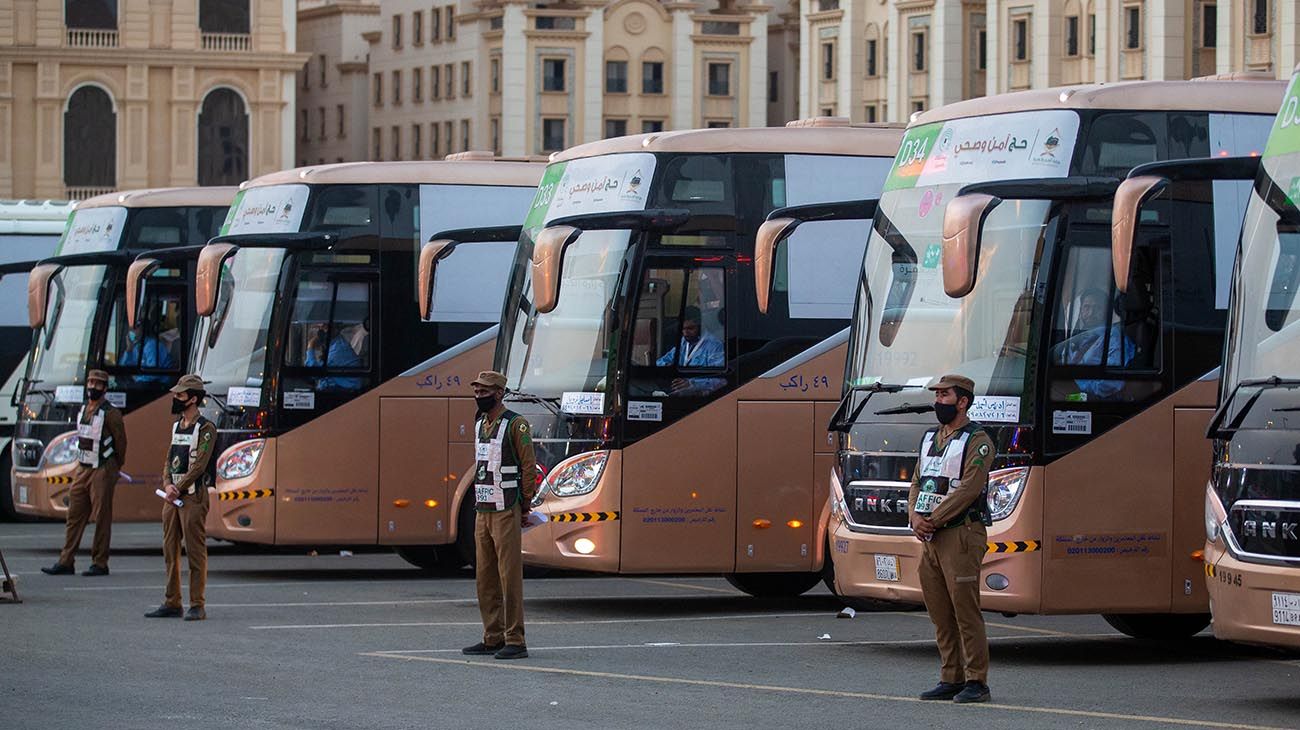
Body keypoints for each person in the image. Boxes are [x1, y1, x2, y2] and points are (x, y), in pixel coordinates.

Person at [908, 374, 995, 704]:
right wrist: (915, 518)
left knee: (965, 610)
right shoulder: (931, 438)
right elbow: (917, 480)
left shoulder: (978, 440)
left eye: (945, 395)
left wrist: (932, 520)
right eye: (937, 395)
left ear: (963, 401)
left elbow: (970, 488)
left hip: (961, 533)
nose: (938, 401)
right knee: (939, 611)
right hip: (931, 536)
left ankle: (977, 680)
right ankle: (951, 676)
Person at [462, 370, 537, 661]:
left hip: (507, 507)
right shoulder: (480, 422)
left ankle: (515, 639)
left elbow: (528, 467)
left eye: (485, 392)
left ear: (499, 393)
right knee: (485, 577)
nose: (479, 396)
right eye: (477, 392)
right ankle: (492, 635)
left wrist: (525, 505)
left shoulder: (516, 425)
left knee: (510, 576)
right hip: (483, 509)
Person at [145, 374, 218, 621]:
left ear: (193, 399)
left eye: (181, 395)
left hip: (193, 497)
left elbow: (200, 465)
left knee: (195, 551)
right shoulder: (177, 426)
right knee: (170, 549)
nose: (176, 398)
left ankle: (197, 604)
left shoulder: (206, 428)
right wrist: (167, 484)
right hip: (172, 497)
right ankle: (172, 601)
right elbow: (169, 459)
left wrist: (179, 486)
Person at [41, 369, 127, 577]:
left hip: (102, 468)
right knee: (74, 515)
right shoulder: (84, 410)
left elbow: (121, 442)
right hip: (83, 467)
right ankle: (66, 560)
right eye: (90, 383)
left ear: (105, 388)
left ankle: (100, 562)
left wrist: (114, 468)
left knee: (101, 517)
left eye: (97, 384)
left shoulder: (111, 413)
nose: (92, 387)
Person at [1052, 288, 1136, 400]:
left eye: (1097, 308)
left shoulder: (1114, 339)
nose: (1091, 313)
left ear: (1106, 312)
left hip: (1098, 401)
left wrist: (1079, 385)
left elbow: (1112, 383)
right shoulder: (1080, 337)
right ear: (1081, 311)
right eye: (1087, 307)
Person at [655, 306, 725, 395]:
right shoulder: (683, 342)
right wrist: (668, 366)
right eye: (683, 329)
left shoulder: (714, 346)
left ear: (700, 325)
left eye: (690, 328)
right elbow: (660, 362)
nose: (685, 333)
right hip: (679, 391)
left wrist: (692, 384)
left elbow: (719, 379)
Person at [305, 324, 363, 390]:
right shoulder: (332, 346)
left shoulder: (338, 349)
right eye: (317, 327)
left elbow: (314, 373)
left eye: (324, 327)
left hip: (346, 393)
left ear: (335, 330)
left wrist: (310, 346)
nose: (319, 331)